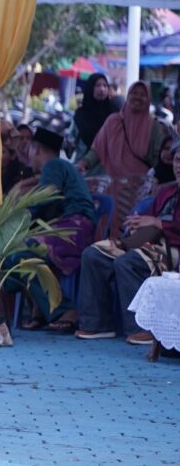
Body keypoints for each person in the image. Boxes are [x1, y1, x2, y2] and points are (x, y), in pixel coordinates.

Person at [75, 143, 180, 344]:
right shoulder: (167, 192)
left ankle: (143, 328)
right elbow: (148, 219)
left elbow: (157, 222)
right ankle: (97, 324)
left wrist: (159, 223)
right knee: (93, 255)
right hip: (150, 243)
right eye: (177, 160)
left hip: (173, 246)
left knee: (128, 262)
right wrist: (136, 226)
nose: (178, 166)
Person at [7, 128, 96, 331]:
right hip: (67, 227)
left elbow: (44, 198)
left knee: (23, 252)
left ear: (36, 149)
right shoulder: (59, 167)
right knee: (18, 253)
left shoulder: (53, 165)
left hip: (75, 227)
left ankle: (65, 310)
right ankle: (42, 308)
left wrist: (17, 223)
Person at [76, 81, 164, 178]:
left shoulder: (154, 126)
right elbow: (98, 149)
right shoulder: (113, 121)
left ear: (148, 99)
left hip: (140, 185)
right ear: (128, 96)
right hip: (112, 183)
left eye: (143, 95)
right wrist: (84, 163)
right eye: (134, 93)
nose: (137, 97)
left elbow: (159, 158)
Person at [72, 73, 117, 159]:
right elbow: (71, 139)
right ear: (90, 88)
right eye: (98, 85)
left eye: (105, 85)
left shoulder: (113, 112)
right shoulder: (81, 114)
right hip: (83, 164)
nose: (102, 89)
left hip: (108, 164)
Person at [0, 120, 34, 194]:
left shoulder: (35, 164)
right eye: (21, 138)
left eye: (29, 138)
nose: (25, 141)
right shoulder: (11, 165)